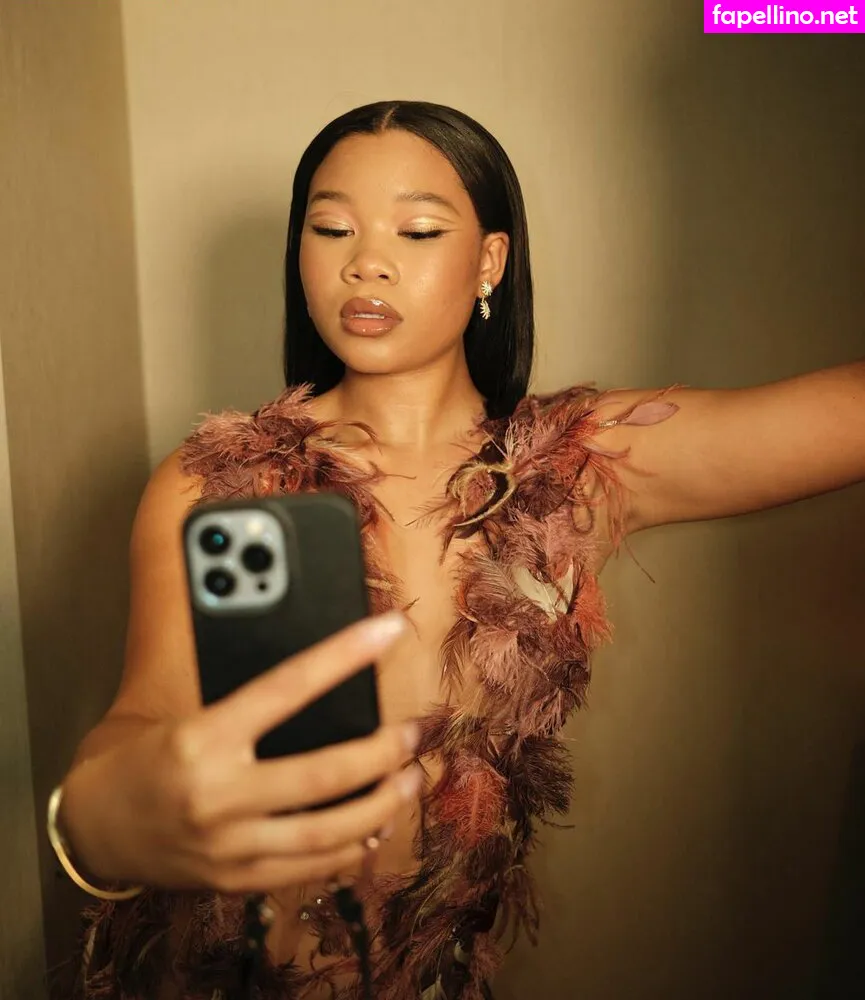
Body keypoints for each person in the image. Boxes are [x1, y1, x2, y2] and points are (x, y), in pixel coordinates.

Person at [53, 100, 865, 1000]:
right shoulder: (213, 480)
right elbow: (139, 719)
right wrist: (105, 811)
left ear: (489, 261)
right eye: (331, 228)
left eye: (417, 230)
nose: (365, 261)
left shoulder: (573, 465)